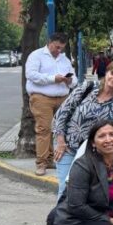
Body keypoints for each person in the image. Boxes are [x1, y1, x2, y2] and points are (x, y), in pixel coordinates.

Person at [53, 59, 113, 197]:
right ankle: (61, 212)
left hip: (92, 153)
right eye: (112, 73)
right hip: (68, 147)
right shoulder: (88, 87)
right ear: (106, 73)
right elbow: (62, 113)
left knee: (87, 192)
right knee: (66, 189)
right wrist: (60, 141)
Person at [25, 32, 77, 176]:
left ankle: (51, 159)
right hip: (42, 97)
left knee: (63, 129)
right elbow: (31, 75)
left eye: (62, 48)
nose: (59, 50)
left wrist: (69, 80)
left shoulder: (64, 59)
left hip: (63, 97)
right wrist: (53, 79)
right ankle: (41, 163)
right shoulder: (36, 56)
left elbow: (74, 79)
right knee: (44, 129)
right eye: (57, 47)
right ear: (49, 43)